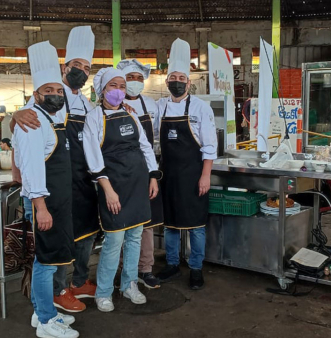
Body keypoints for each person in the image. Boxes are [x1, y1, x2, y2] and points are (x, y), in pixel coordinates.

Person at [11, 26, 98, 313]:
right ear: (66, 66)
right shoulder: (46, 97)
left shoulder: (85, 103)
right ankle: (58, 292)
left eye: (87, 68)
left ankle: (79, 281)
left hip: (79, 180)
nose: (82, 72)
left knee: (85, 233)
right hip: (52, 182)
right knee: (58, 241)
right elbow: (24, 127)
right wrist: (15, 114)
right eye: (77, 66)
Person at [13, 41, 78, 338]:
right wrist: (40, 207)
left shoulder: (52, 116)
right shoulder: (30, 119)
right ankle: (46, 319)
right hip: (44, 202)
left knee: (51, 260)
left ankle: (41, 314)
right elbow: (32, 169)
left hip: (57, 200)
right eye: (47, 91)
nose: (54, 95)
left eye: (57, 90)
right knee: (45, 261)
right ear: (36, 93)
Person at [83, 67, 160, 312]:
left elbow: (145, 146)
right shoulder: (94, 118)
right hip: (113, 185)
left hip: (137, 182)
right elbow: (93, 158)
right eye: (112, 86)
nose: (118, 91)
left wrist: (153, 176)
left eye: (122, 86)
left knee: (135, 237)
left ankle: (129, 284)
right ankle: (103, 292)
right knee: (114, 239)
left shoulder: (131, 114)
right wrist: (108, 190)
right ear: (101, 90)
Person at [154, 38, 218, 290]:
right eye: (173, 77)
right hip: (168, 175)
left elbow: (209, 146)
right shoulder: (159, 106)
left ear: (189, 82)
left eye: (182, 77)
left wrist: (206, 176)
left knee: (196, 227)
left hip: (193, 175)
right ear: (167, 81)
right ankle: (171, 264)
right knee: (170, 225)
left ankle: (196, 268)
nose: (177, 81)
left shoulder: (201, 108)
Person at [117, 59, 161, 289]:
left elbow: (154, 138)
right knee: (122, 222)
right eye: (130, 78)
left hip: (146, 169)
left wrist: (153, 170)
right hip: (119, 171)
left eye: (139, 78)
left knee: (146, 222)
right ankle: (123, 268)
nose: (134, 82)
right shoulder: (112, 104)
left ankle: (145, 268)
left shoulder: (152, 105)